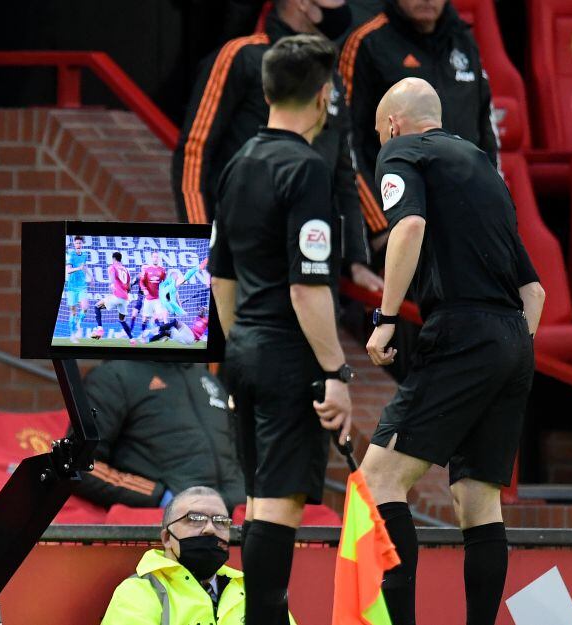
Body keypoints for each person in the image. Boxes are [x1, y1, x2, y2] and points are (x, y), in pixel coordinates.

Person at [360, 78, 545, 625]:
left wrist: (386, 318)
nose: (379, 143)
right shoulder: (485, 169)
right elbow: (535, 291)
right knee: (476, 500)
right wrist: (503, 352)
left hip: (461, 331)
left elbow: (409, 225)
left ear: (393, 124)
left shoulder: (403, 151)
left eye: (377, 132)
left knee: (380, 481)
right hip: (514, 337)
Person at [209, 34, 354, 625]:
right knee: (276, 504)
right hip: (289, 357)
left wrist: (235, 353)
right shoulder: (308, 169)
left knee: (258, 498)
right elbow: (306, 288)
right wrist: (335, 372)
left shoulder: (237, 164)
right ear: (324, 98)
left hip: (244, 349)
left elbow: (220, 280)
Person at [172, 0, 384, 293]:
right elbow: (194, 152)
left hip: (312, 257)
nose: (344, 4)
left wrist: (357, 259)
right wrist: (202, 246)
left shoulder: (329, 76)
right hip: (242, 257)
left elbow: (345, 171)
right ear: (301, 4)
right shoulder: (241, 56)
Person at [341, 0, 498, 243]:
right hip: (401, 216)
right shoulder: (368, 43)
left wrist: (493, 205)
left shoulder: (464, 42)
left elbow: (486, 131)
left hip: (467, 215)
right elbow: (348, 142)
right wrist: (380, 226)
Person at [71, 361, 245, 511]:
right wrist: (161, 497)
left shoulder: (205, 377)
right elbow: (78, 464)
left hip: (239, 520)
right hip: (169, 524)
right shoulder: (113, 376)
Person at [101, 486, 255, 625]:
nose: (210, 529)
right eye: (195, 519)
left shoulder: (252, 590)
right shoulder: (138, 592)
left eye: (221, 521)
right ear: (167, 538)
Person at [91, 252, 134, 341]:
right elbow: (129, 287)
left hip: (117, 296)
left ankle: (100, 330)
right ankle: (132, 339)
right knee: (122, 320)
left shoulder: (112, 267)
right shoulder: (126, 270)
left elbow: (112, 280)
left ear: (113, 259)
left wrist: (112, 286)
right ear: (120, 259)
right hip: (125, 298)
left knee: (97, 306)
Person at [130, 252, 169, 339]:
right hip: (148, 299)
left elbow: (165, 283)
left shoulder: (162, 270)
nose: (155, 258)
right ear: (151, 258)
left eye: (157, 257)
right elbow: (141, 281)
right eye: (154, 257)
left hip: (157, 299)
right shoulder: (147, 270)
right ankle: (142, 335)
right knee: (144, 319)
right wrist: (144, 289)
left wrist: (165, 292)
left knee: (160, 317)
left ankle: (163, 335)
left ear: (158, 259)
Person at [64, 235, 92, 344]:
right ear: (74, 244)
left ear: (82, 244)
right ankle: (72, 335)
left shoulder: (84, 255)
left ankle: (79, 323)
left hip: (82, 286)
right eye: (76, 243)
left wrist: (91, 276)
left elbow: (84, 267)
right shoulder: (71, 255)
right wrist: (78, 268)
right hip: (71, 287)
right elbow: (68, 271)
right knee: (73, 312)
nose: (78, 245)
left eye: (80, 243)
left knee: (85, 307)